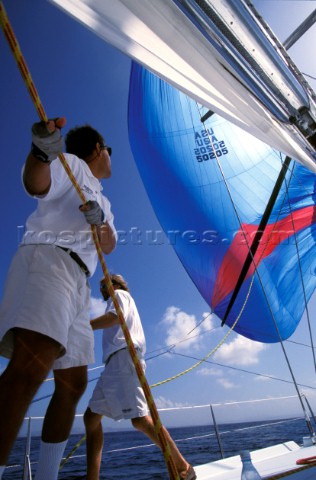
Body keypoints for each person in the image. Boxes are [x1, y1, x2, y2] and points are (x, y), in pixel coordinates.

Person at [0, 117, 117, 480]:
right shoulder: (73, 164)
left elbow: (108, 245)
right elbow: (36, 183)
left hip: (79, 281)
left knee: (73, 383)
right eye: (109, 150)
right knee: (30, 367)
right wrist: (41, 153)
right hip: (50, 259)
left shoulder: (105, 199)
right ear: (98, 149)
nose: (111, 157)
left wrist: (100, 223)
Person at [83, 274, 196, 480]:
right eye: (100, 286)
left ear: (116, 284)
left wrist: (83, 325)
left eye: (104, 284)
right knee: (91, 417)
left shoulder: (120, 295)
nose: (102, 289)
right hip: (114, 364)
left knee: (141, 420)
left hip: (124, 358)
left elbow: (114, 317)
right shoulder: (116, 298)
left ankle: (183, 468)